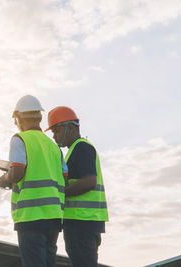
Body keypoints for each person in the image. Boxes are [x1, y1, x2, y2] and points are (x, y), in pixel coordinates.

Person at [0, 95, 66, 267]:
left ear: (18, 118)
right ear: (40, 117)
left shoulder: (20, 139)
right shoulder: (54, 147)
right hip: (54, 217)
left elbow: (17, 174)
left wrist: (5, 179)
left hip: (30, 217)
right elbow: (64, 177)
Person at [45, 106, 109, 267]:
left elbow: (89, 181)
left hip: (81, 221)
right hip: (84, 221)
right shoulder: (75, 150)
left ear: (71, 127)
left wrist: (60, 193)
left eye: (57, 130)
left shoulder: (82, 148)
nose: (54, 136)